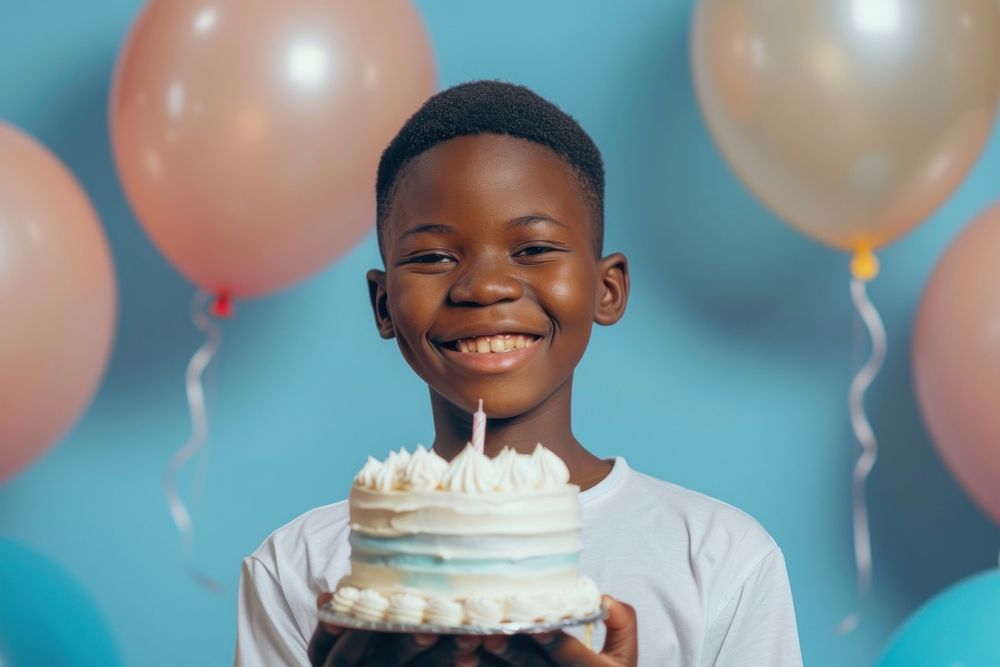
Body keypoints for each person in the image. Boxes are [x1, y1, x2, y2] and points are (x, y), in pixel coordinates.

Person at [235, 80, 802, 666]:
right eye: (433, 257)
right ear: (384, 305)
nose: (484, 287)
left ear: (607, 289)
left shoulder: (719, 558)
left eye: (532, 249)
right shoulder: (299, 569)